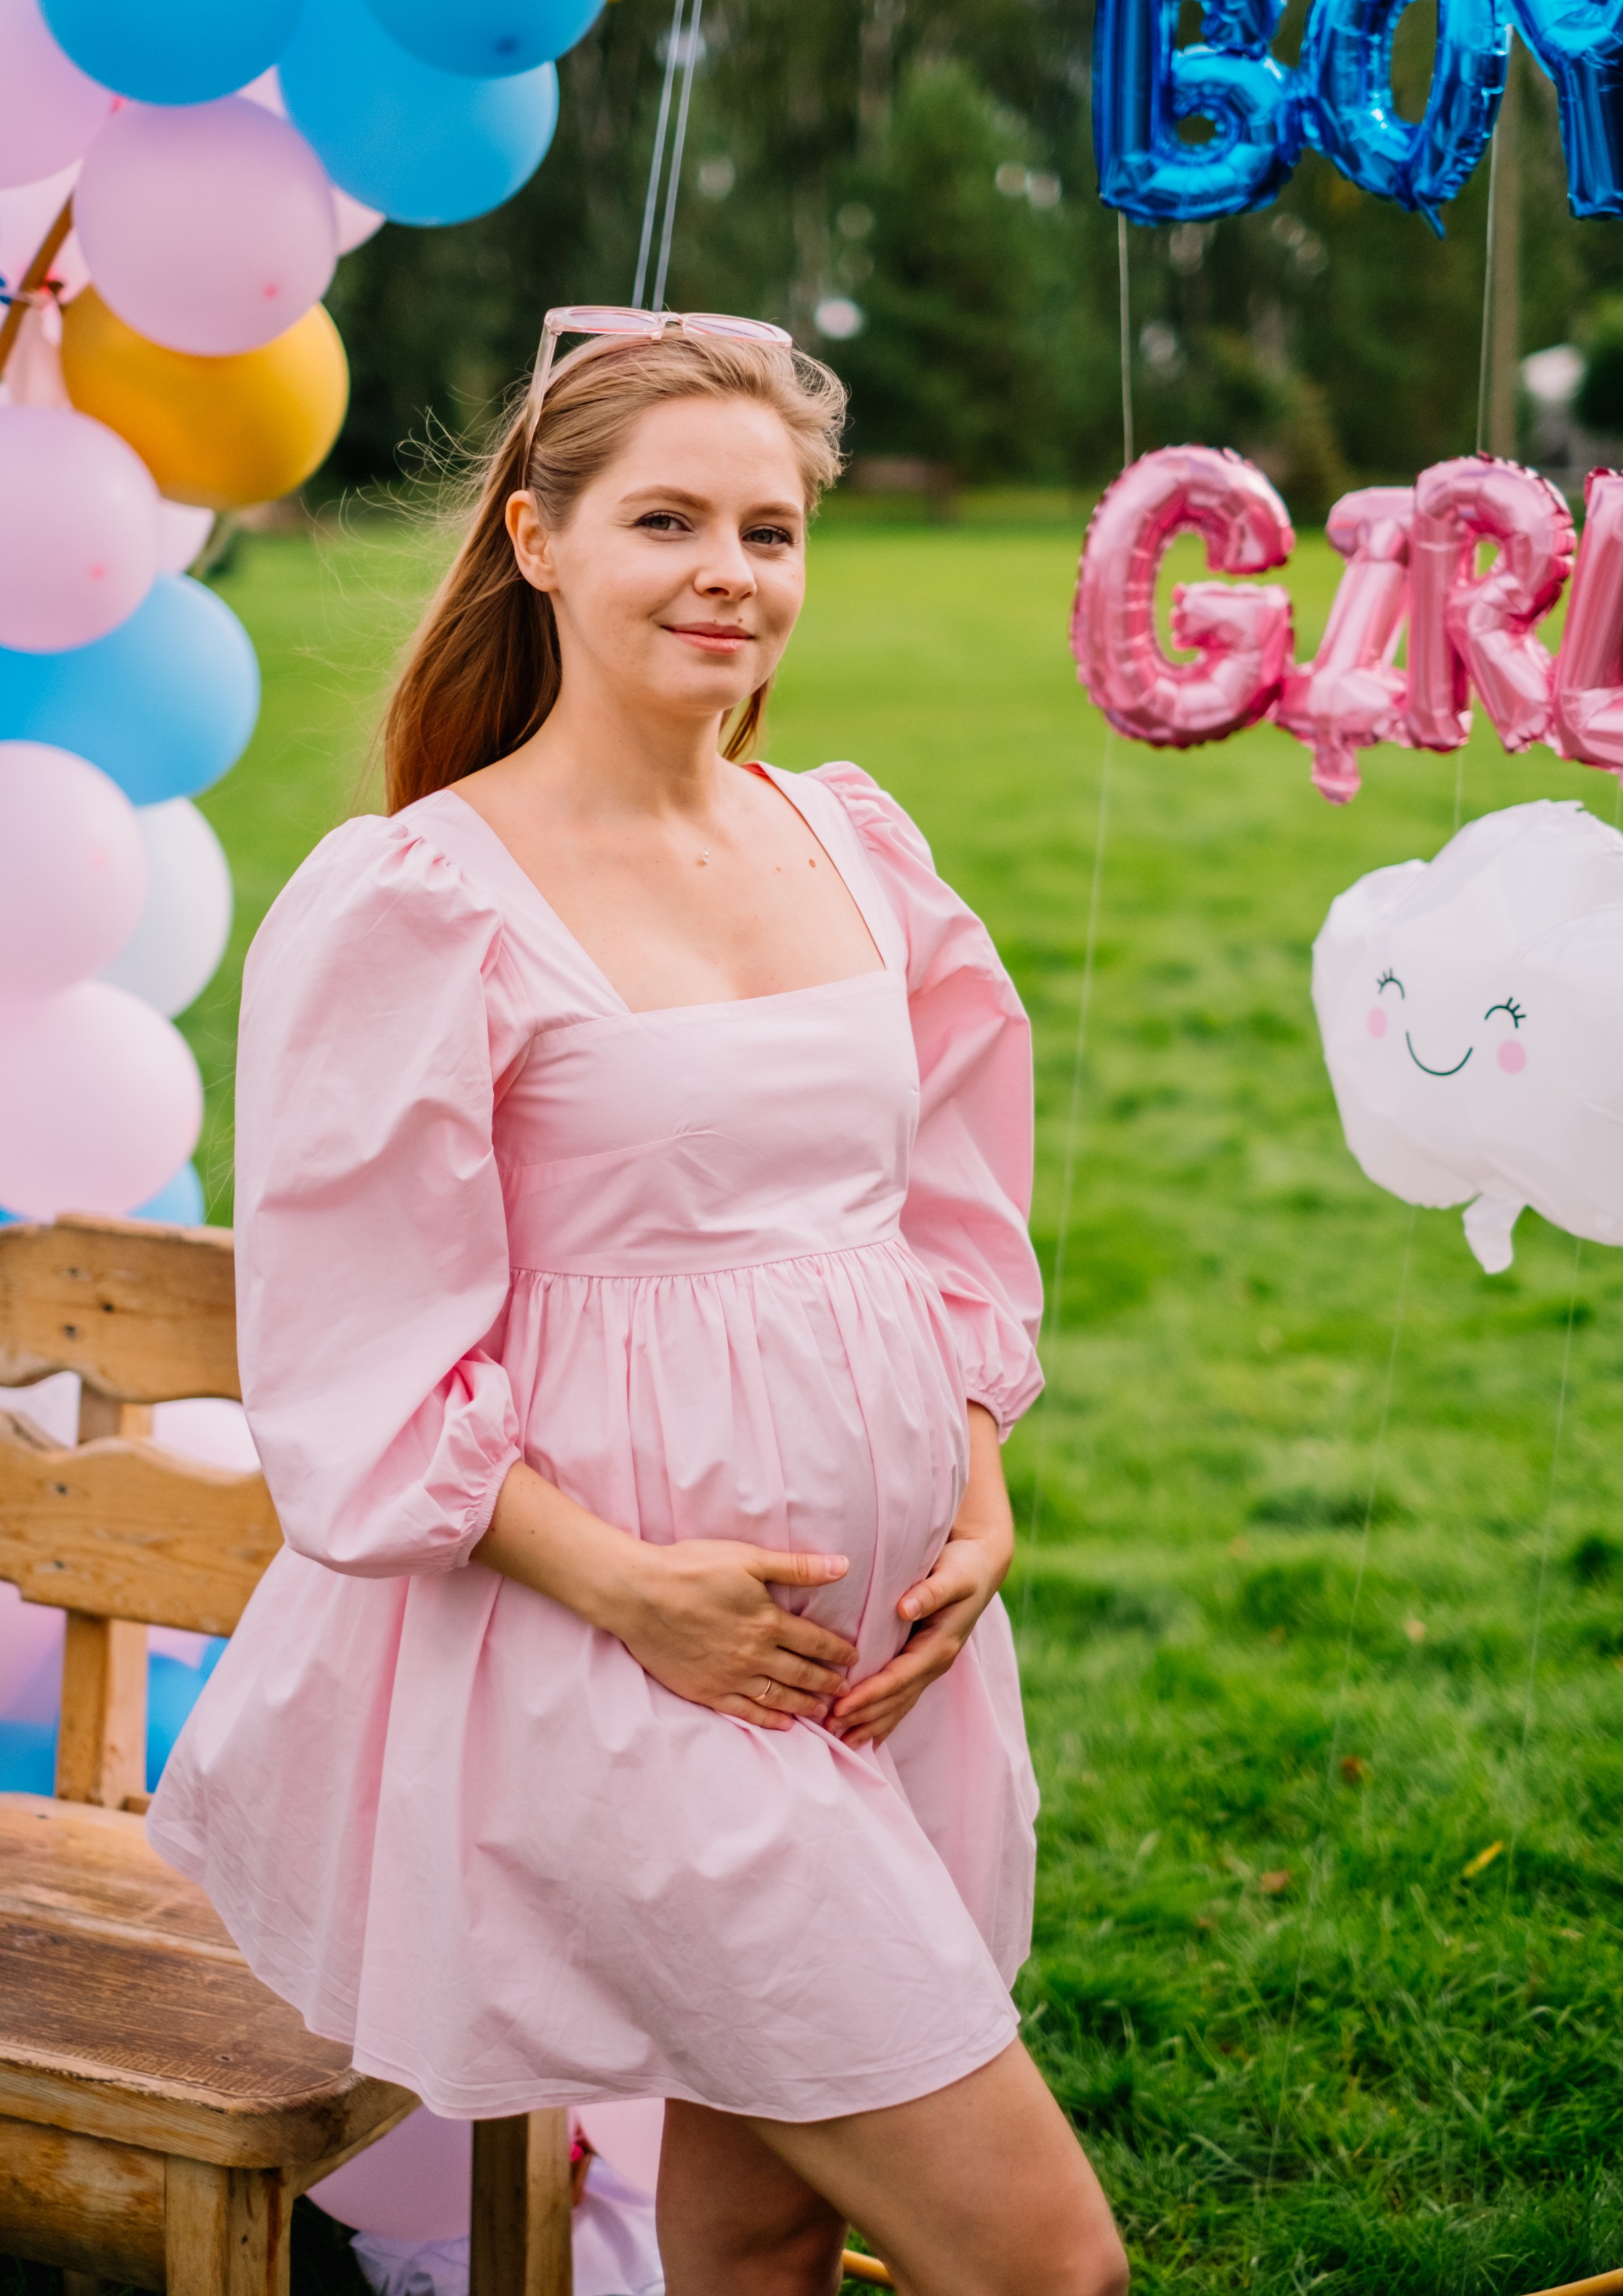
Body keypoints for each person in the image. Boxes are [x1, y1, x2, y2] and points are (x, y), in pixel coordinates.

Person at [149, 311, 1127, 2296]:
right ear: (537, 538)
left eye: (768, 531)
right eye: (666, 518)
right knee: (1049, 2260)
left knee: (760, 2223)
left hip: (879, 1653)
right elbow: (355, 1353)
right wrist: (633, 1589)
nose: (726, 573)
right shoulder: (427, 896)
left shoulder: (848, 840)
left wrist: (977, 1482)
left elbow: (938, 1208)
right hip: (629, 1673)